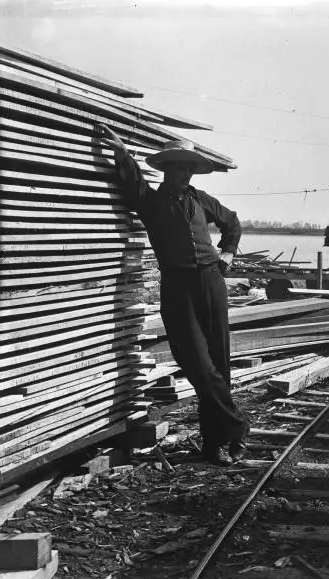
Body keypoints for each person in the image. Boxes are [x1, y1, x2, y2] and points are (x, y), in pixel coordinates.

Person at [97, 124, 250, 466]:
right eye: (178, 167)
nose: (184, 173)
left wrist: (228, 252)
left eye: (189, 168)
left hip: (211, 282)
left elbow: (233, 221)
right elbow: (132, 179)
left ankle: (214, 446)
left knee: (218, 367)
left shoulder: (200, 199)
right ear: (165, 169)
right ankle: (238, 426)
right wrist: (121, 149)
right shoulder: (150, 201)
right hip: (177, 286)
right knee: (197, 364)